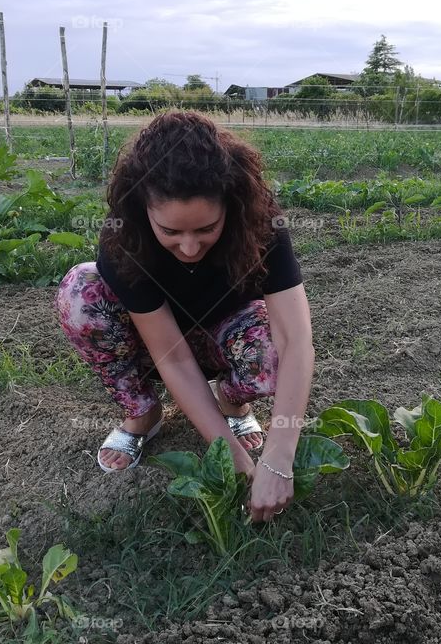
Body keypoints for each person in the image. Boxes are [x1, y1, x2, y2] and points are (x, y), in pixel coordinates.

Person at [54, 111, 315, 523]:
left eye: (206, 228)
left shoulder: (263, 224)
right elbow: (172, 356)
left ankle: (234, 404)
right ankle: (143, 413)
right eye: (171, 232)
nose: (190, 247)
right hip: (159, 344)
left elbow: (295, 339)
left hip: (228, 337)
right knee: (81, 291)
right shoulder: (123, 237)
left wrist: (279, 459)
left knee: (270, 350)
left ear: (230, 202)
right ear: (143, 208)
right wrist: (229, 457)